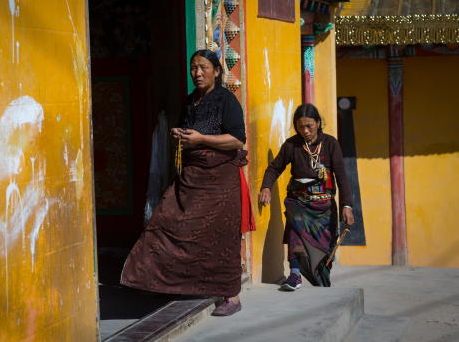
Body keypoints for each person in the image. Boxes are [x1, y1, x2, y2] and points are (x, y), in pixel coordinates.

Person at [121, 49, 255, 317]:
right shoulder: (191, 101)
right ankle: (162, 280)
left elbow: (237, 140)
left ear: (217, 71)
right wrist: (178, 135)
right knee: (166, 222)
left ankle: (231, 295)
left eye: (204, 67)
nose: (197, 73)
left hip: (220, 181)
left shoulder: (226, 99)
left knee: (222, 237)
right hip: (192, 175)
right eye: (194, 68)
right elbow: (188, 135)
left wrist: (201, 139)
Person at [258, 104, 354, 290]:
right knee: (295, 227)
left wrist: (347, 206)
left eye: (309, 125)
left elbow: (341, 177)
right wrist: (266, 187)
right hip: (298, 201)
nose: (306, 131)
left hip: (324, 206)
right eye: (301, 126)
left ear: (318, 122)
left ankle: (321, 281)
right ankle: (294, 274)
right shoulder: (292, 145)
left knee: (324, 251)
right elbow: (274, 168)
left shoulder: (331, 144)